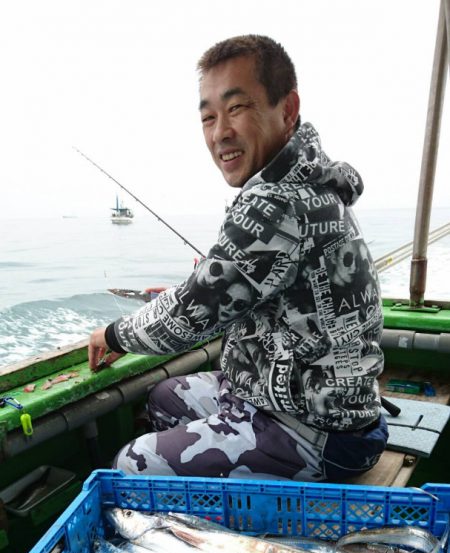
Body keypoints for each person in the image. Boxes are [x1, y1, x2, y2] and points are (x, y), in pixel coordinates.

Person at [89, 34, 388, 482]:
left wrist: (113, 335)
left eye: (236, 108)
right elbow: (228, 284)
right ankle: (232, 485)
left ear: (287, 109)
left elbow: (192, 312)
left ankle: (244, 500)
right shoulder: (309, 184)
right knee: (165, 398)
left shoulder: (276, 201)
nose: (220, 132)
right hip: (307, 402)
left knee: (131, 465)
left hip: (318, 432)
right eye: (208, 117)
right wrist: (185, 294)